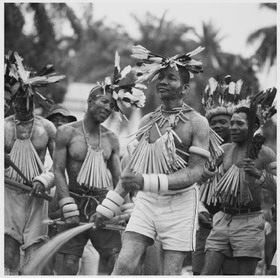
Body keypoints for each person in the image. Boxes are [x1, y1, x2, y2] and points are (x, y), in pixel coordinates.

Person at [93, 45, 210, 275]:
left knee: (170, 272)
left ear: (185, 88)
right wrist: (108, 208)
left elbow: (195, 172)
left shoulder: (197, 123)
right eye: (161, 77)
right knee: (124, 264)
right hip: (147, 202)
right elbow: (131, 168)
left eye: (171, 78)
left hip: (181, 204)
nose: (162, 81)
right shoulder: (147, 121)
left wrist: (145, 182)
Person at [53, 51, 146, 275]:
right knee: (68, 263)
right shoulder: (66, 133)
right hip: (74, 200)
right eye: (104, 101)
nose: (107, 108)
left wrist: (123, 208)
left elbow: (118, 179)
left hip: (102, 204)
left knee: (115, 258)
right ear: (90, 101)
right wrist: (67, 205)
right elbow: (57, 169)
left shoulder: (111, 139)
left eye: (111, 106)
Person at [4, 52, 63, 274]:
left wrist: (44, 181)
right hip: (9, 195)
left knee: (35, 253)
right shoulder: (3, 128)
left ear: (34, 99)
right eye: (16, 99)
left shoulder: (47, 128)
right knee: (8, 249)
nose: (20, 105)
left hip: (38, 198)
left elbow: (59, 164)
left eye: (25, 100)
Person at [201, 102, 277, 275]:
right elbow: (202, 177)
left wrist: (258, 173)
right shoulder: (223, 150)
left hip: (249, 221)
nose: (233, 127)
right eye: (232, 123)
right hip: (222, 218)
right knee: (207, 273)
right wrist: (207, 172)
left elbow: (277, 185)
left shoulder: (266, 153)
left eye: (240, 124)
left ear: (254, 127)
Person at [192, 75, 242, 275]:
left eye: (223, 122)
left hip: (236, 221)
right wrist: (200, 211)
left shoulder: (244, 153)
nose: (218, 126)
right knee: (200, 271)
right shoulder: (200, 152)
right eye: (213, 123)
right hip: (206, 221)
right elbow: (191, 184)